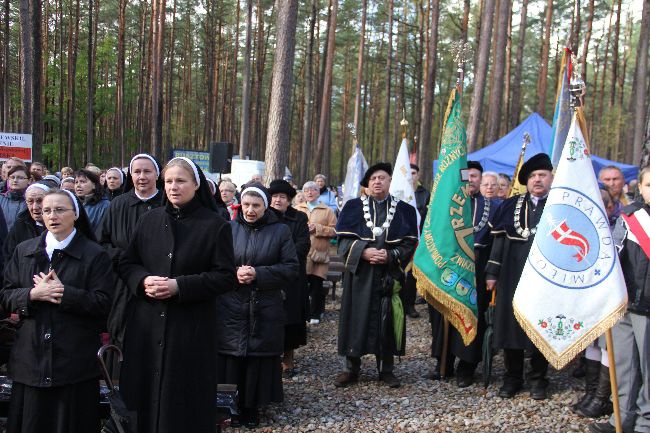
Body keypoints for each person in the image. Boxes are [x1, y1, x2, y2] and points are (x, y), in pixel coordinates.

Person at [118, 157, 235, 433]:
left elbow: (225, 277)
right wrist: (143, 280)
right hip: (147, 324)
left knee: (183, 401)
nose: (173, 187)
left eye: (181, 181)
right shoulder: (149, 220)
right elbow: (126, 263)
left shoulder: (215, 225)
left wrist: (179, 286)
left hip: (190, 327)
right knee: (143, 397)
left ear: (196, 184)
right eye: (168, 181)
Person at [1, 189, 114, 433]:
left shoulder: (95, 255)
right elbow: (6, 295)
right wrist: (32, 295)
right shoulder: (24, 251)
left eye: (60, 209)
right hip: (31, 360)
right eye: (47, 210)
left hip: (73, 364)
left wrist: (65, 294)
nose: (53, 215)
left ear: (75, 214)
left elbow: (104, 304)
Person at [217, 184, 298, 428]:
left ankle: (252, 407)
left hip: (264, 305)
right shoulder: (228, 228)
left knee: (256, 359)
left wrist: (258, 274)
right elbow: (215, 265)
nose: (250, 210)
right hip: (231, 303)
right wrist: (234, 274)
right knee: (231, 357)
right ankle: (229, 406)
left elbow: (291, 268)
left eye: (256, 205)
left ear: (265, 207)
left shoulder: (281, 231)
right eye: (246, 205)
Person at [334, 163, 418, 389]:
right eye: (373, 179)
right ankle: (351, 368)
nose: (377, 182)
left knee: (387, 319)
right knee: (356, 319)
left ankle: (386, 369)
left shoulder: (405, 210)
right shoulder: (352, 207)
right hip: (360, 276)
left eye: (382, 178)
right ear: (367, 184)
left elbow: (410, 243)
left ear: (390, 181)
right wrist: (364, 252)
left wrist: (391, 255)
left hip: (388, 275)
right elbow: (342, 242)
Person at [485, 153, 553, 400]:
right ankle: (512, 377)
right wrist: (492, 273)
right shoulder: (510, 205)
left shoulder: (558, 205)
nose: (537, 180)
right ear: (526, 180)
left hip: (546, 280)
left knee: (540, 327)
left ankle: (538, 379)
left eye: (542, 175)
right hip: (512, 275)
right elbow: (499, 242)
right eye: (533, 176)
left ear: (551, 177)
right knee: (510, 326)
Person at [427, 161, 499, 387]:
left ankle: (466, 366)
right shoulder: (445, 205)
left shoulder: (493, 207)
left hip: (477, 270)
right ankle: (443, 364)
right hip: (448, 268)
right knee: (445, 316)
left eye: (475, 176)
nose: (471, 180)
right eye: (467, 175)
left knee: (471, 315)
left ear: (480, 179)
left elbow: (495, 240)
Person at [589, 168, 650, 433]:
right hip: (625, 303)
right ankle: (621, 419)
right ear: (641, 187)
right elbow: (613, 255)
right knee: (624, 365)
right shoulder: (629, 216)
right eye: (649, 184)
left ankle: (645, 423)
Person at [97, 154, 164, 356]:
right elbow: (102, 243)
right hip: (123, 283)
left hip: (158, 281)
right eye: (137, 171)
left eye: (147, 171)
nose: (142, 176)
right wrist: (125, 259)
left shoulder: (167, 202)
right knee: (123, 335)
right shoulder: (117, 204)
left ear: (157, 175)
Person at [572, 187, 616, 419]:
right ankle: (591, 394)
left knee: (608, 346)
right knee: (594, 345)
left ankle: (601, 398)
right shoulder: (584, 232)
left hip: (613, 300)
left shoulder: (619, 226)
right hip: (591, 300)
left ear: (609, 206)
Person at [295, 181, 337, 325]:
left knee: (317, 286)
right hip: (301, 255)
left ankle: (316, 313)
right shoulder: (297, 208)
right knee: (301, 286)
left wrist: (318, 228)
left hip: (319, 254)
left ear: (318, 193)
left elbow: (335, 231)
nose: (310, 192)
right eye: (306, 190)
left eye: (313, 190)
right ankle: (303, 313)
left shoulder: (327, 211)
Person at [2, 183, 49, 273]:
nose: (35, 207)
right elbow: (8, 259)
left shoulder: (59, 226)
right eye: (30, 201)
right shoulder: (19, 225)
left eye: (40, 201)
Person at [406, 163, 430, 314]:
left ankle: (410, 305)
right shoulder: (396, 190)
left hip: (418, 239)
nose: (411, 175)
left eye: (413, 173)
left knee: (411, 275)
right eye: (408, 173)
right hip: (399, 238)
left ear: (418, 175)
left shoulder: (425, 194)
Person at [0, 166, 30, 231]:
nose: (15, 180)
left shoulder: (32, 200)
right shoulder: (1, 198)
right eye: (12, 177)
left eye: (20, 178)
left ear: (29, 180)